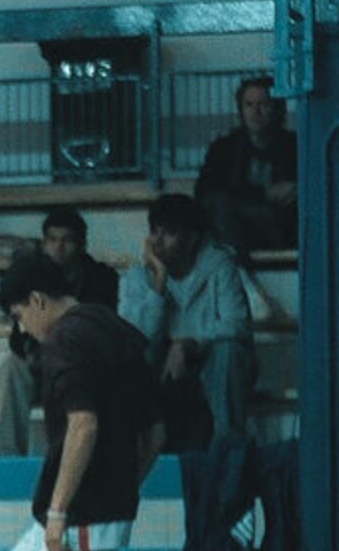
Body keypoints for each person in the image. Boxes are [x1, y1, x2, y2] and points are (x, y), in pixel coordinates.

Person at [0, 253, 165, 551]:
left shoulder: (65, 341)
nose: (22, 328)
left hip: (78, 516)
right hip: (97, 506)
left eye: (19, 315)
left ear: (36, 300)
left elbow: (83, 425)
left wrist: (59, 512)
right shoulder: (115, 327)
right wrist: (123, 485)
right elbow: (156, 434)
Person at [119, 194, 255, 450]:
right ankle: (139, 449)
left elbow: (237, 323)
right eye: (154, 232)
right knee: (133, 358)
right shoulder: (137, 276)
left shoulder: (219, 265)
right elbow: (133, 338)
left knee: (229, 349)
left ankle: (228, 451)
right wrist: (157, 284)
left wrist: (188, 345)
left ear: (192, 238)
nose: (158, 242)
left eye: (168, 234)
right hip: (161, 367)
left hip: (211, 365)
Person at [0, 209, 119, 456]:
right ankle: (6, 455)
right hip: (39, 361)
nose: (59, 247)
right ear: (44, 242)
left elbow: (100, 332)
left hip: (83, 363)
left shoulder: (101, 279)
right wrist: (39, 355)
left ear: (82, 244)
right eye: (52, 239)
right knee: (11, 368)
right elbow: (18, 337)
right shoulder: (28, 273)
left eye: (67, 240)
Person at [195, 75, 298, 255]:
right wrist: (265, 193)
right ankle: (236, 271)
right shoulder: (224, 148)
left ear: (276, 108)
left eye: (263, 104)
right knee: (219, 206)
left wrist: (296, 189)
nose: (255, 112)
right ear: (240, 109)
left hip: (281, 225)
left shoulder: (293, 146)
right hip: (238, 225)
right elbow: (206, 192)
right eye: (249, 105)